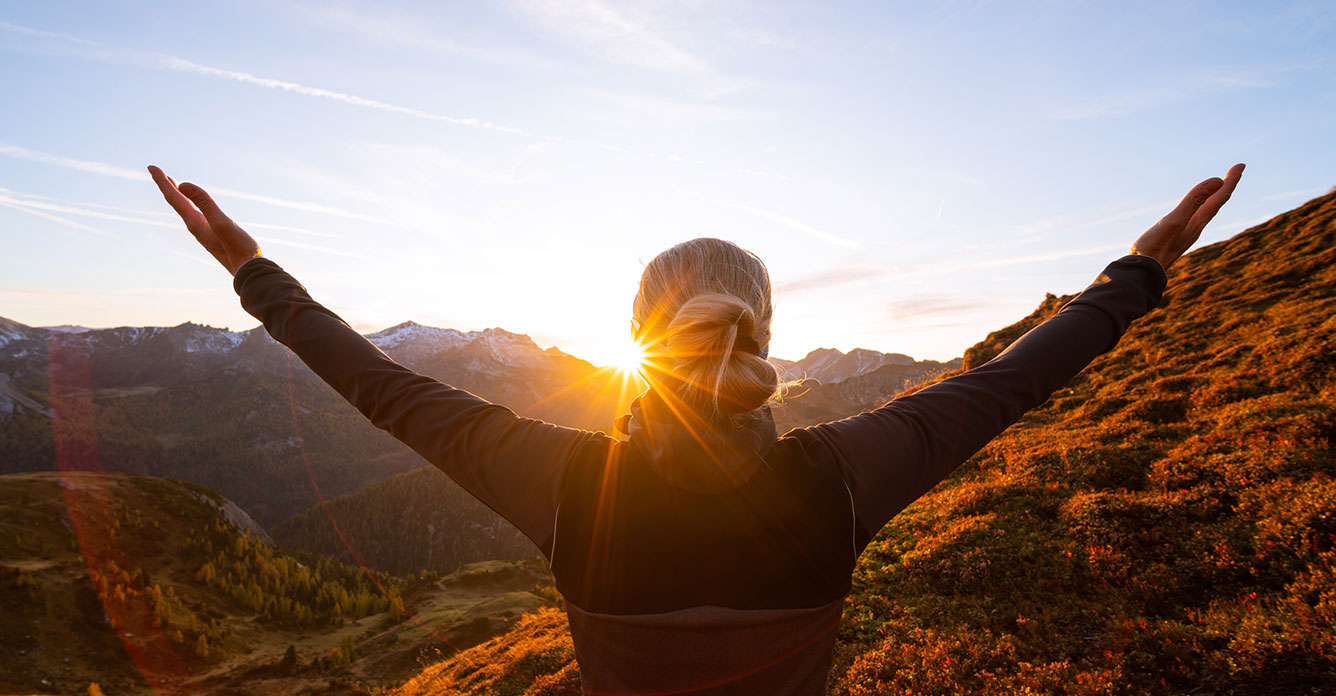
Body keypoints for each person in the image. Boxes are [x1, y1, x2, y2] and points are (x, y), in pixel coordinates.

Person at [150, 162, 1243, 694]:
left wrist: (250, 270)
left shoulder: (561, 482)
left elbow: (378, 384)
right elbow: (1020, 376)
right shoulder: (848, 474)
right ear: (765, 337)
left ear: (634, 334)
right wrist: (1145, 264)